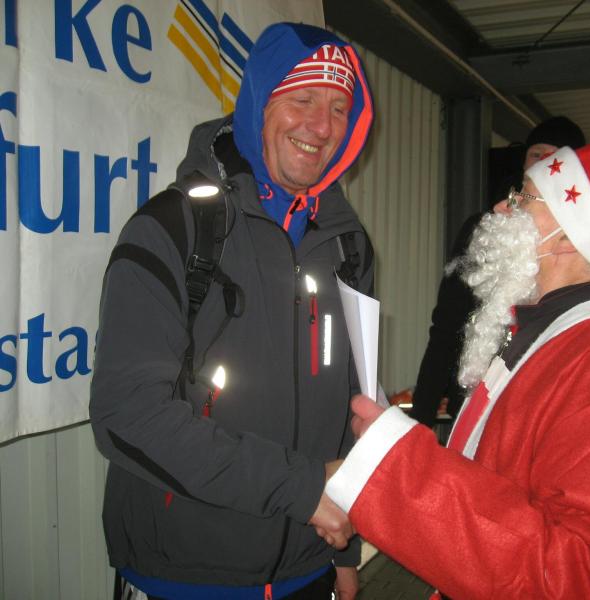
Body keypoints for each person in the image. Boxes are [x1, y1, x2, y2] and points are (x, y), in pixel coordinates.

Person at [325, 140, 590, 599]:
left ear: (569, 236)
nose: (502, 208)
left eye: (522, 197)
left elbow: (578, 580)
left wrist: (392, 475)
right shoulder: (554, 340)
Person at [89, 22, 373, 600]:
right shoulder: (173, 228)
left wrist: (345, 549)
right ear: (258, 103)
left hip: (308, 569)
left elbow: (354, 400)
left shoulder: (348, 244)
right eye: (302, 100)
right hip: (185, 575)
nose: (322, 126)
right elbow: (127, 415)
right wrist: (302, 488)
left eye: (339, 109)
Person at [410, 116, 586, 427]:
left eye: (554, 158)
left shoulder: (580, 243)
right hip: (474, 399)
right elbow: (446, 324)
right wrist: (421, 416)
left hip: (545, 408)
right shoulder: (484, 229)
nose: (543, 163)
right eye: (535, 154)